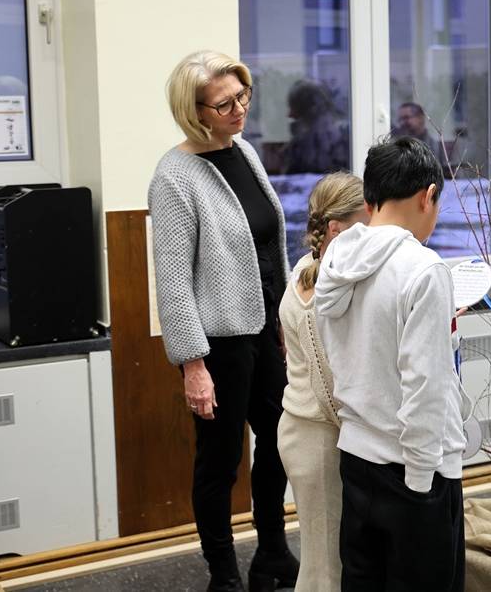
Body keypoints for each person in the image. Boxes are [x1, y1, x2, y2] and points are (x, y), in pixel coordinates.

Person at [148, 50, 299, 592]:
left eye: (244, 97)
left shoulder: (245, 153)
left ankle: (274, 554)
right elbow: (172, 282)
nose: (240, 109)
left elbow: (269, 246)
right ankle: (224, 575)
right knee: (219, 463)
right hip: (217, 343)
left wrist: (287, 319)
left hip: (265, 332)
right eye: (225, 103)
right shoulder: (174, 177)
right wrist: (193, 365)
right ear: (195, 112)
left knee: (281, 441)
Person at [314, 137, 467, 591]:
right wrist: (421, 482)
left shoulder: (336, 259)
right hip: (415, 472)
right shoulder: (423, 269)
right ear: (429, 196)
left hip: (357, 458)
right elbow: (426, 387)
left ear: (368, 200)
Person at [277, 172, 369, 591]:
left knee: (330, 560)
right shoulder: (320, 294)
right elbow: (326, 386)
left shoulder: (307, 269)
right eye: (365, 223)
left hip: (309, 432)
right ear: (337, 228)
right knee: (323, 570)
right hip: (316, 437)